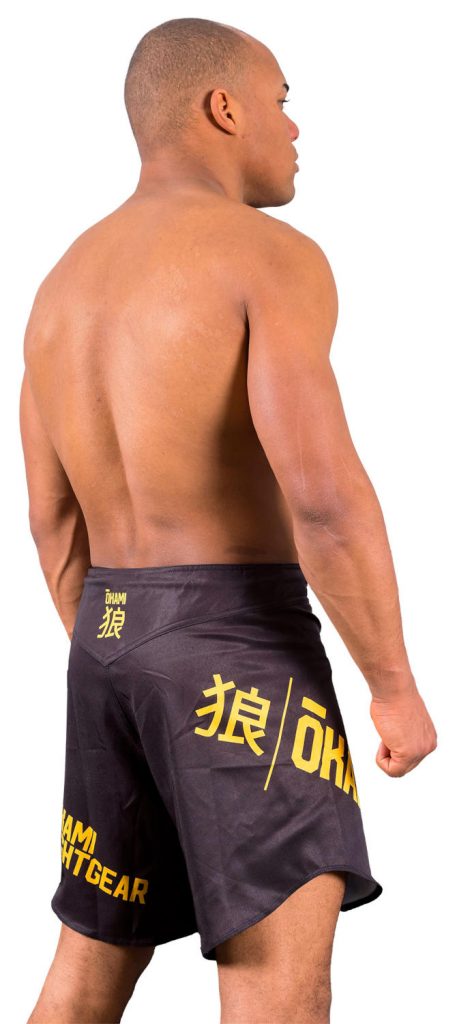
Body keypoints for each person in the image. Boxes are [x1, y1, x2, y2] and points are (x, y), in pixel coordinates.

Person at [19, 16, 437, 1024]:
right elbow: (321, 494)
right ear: (222, 107)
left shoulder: (61, 285)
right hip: (235, 644)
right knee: (274, 988)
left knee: (86, 972)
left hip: (105, 643)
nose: (293, 127)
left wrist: (124, 659)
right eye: (281, 101)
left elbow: (50, 516)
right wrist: (392, 689)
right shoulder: (265, 257)